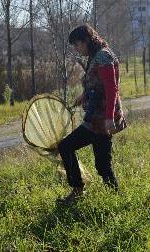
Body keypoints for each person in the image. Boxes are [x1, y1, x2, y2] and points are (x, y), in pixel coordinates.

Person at [58, 24, 127, 204]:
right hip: (97, 117)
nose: (77, 49)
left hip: (102, 119)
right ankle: (115, 198)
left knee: (65, 146)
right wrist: (84, 95)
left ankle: (78, 190)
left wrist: (110, 117)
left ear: (87, 40)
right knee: (103, 166)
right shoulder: (96, 55)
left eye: (77, 44)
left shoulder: (103, 56)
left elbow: (112, 89)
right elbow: (98, 84)